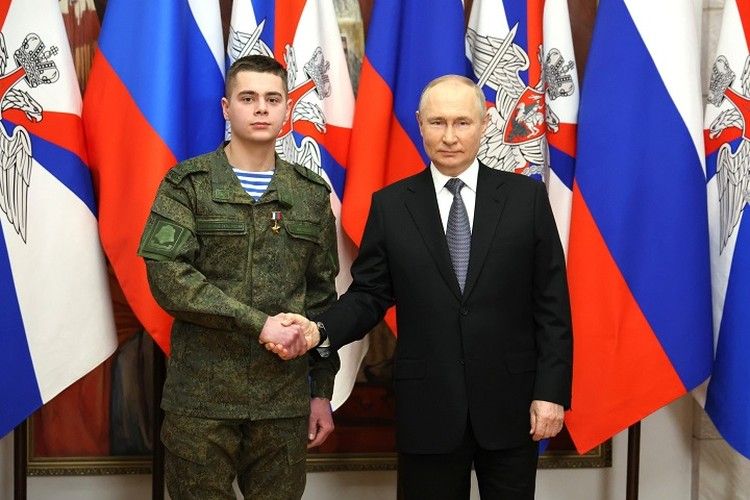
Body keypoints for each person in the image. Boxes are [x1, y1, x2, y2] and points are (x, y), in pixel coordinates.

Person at [271, 75, 573, 499]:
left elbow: (552, 306)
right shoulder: (392, 205)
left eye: (462, 122)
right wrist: (319, 330)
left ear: (485, 123)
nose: (449, 136)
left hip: (512, 405)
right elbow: (369, 295)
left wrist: (551, 393)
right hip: (428, 408)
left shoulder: (526, 199)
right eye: (437, 122)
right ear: (419, 123)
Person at [137, 55, 340, 500]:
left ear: (288, 109)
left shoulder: (310, 194)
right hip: (202, 401)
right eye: (248, 98)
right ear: (227, 108)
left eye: (272, 99)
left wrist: (321, 391)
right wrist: (259, 324)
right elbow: (169, 278)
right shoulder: (187, 184)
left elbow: (322, 300)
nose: (261, 108)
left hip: (282, 402)